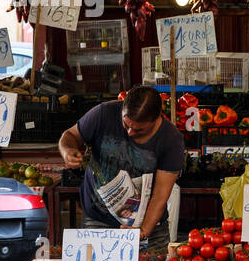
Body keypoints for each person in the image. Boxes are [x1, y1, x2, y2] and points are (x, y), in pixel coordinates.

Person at [58, 86, 184, 250]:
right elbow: (70, 135)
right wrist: (67, 150)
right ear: (123, 107)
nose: (130, 132)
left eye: (139, 129)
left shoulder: (171, 139)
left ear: (156, 118)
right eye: (126, 125)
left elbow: (161, 195)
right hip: (98, 220)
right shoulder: (103, 114)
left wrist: (143, 230)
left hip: (149, 224)